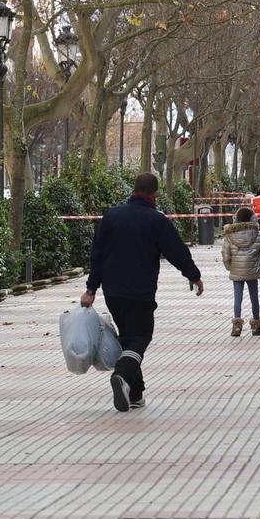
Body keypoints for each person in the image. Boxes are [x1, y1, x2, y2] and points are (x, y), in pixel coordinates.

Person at [81, 173, 203, 412]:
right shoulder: (156, 220)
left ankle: (135, 394)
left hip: (113, 291)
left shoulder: (111, 216)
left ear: (133, 190)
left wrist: (91, 289)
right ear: (154, 194)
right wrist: (193, 275)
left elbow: (97, 255)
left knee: (128, 339)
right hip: (140, 292)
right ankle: (122, 376)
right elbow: (176, 251)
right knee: (140, 338)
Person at [223, 207, 260, 336]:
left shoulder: (229, 235)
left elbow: (226, 255)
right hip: (253, 271)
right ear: (252, 218)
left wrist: (230, 267)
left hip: (236, 271)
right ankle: (256, 326)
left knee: (237, 298)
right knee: (254, 297)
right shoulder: (257, 234)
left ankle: (237, 326)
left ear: (236, 219)